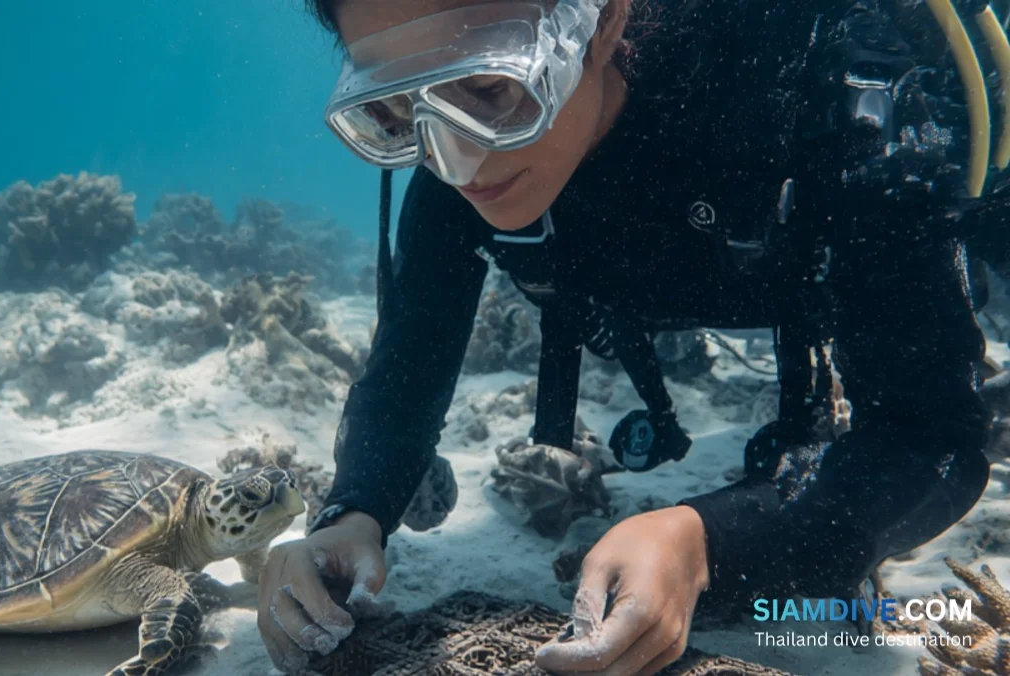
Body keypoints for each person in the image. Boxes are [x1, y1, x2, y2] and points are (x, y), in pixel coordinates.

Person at [257, 0, 1010, 674]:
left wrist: (709, 542)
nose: (457, 161)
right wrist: (352, 512)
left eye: (488, 86)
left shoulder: (825, 90)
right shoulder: (453, 164)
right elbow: (405, 370)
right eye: (395, 109)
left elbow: (933, 438)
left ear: (605, 18)